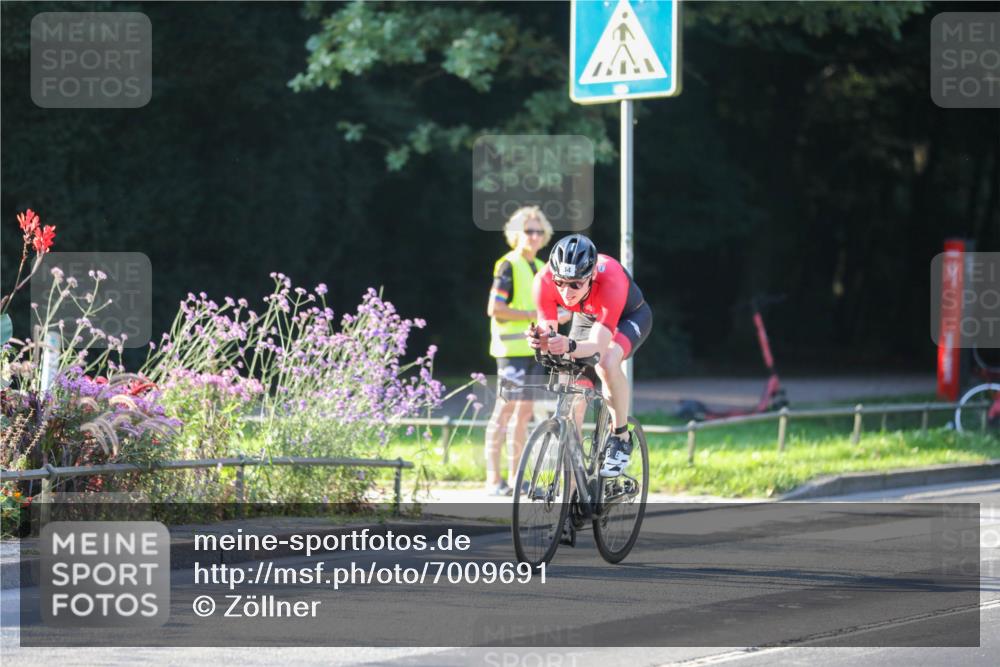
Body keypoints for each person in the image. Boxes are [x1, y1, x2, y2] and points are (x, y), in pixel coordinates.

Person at [527, 234, 652, 477]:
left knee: (605, 363)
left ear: (591, 276)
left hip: (628, 317)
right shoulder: (542, 281)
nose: (566, 292)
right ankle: (574, 497)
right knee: (572, 402)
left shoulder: (610, 279)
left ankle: (621, 437)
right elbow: (549, 331)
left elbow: (596, 346)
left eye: (575, 284)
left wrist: (569, 345)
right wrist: (539, 339)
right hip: (587, 318)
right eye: (561, 282)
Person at [484, 206, 558, 495]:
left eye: (539, 231)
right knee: (504, 411)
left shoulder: (542, 268)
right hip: (510, 351)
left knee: (524, 414)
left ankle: (516, 479)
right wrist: (533, 316)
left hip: (534, 352)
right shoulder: (507, 265)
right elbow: (495, 309)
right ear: (516, 233)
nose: (535, 236)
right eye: (529, 230)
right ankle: (493, 480)